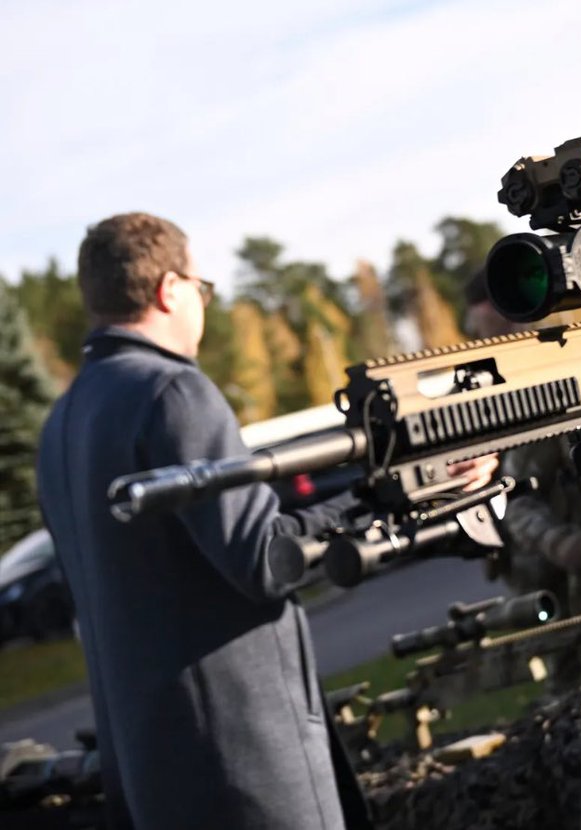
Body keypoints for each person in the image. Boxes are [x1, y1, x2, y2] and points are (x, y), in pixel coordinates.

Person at [35, 213, 494, 828]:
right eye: (202, 289)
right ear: (170, 290)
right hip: (238, 764)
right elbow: (264, 559)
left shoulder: (61, 424)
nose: (202, 303)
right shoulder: (172, 392)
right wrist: (392, 491)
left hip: (148, 772)